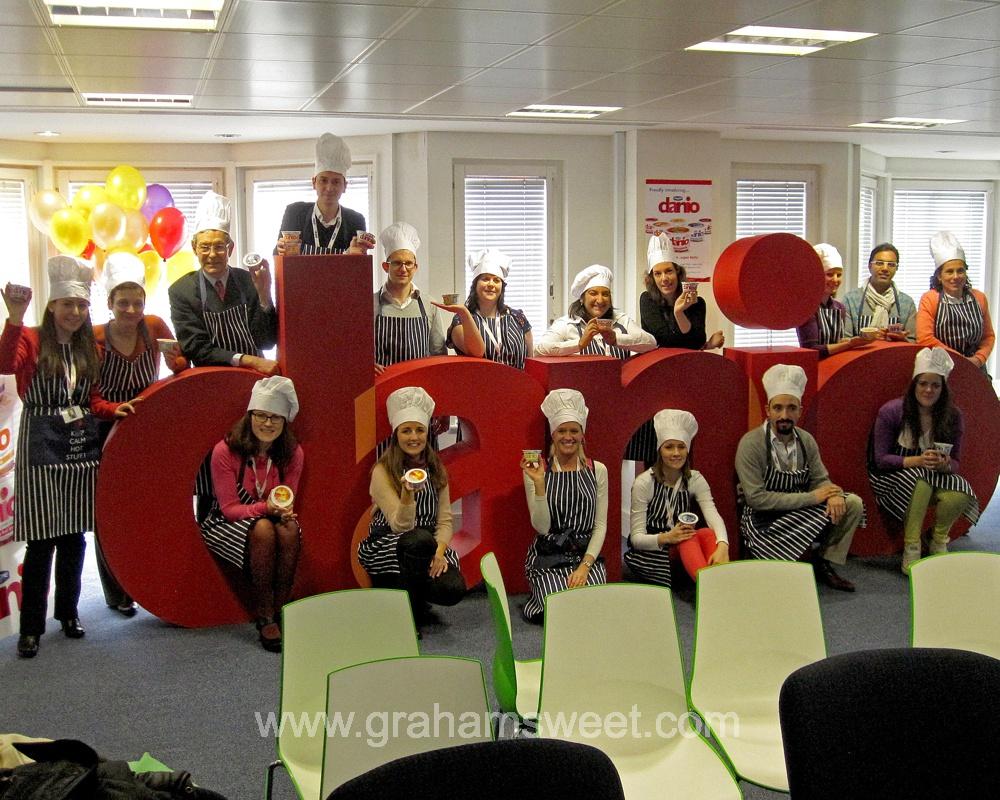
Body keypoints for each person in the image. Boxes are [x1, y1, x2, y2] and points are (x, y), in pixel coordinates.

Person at [1, 257, 137, 659]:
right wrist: (13, 317)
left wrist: (115, 410)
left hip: (79, 448)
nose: (75, 314)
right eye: (67, 306)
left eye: (80, 307)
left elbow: (91, 399)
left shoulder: (89, 349)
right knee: (42, 542)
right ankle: (31, 629)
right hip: (41, 445)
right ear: (52, 308)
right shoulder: (28, 337)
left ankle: (69, 614)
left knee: (74, 538)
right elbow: (5, 363)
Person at [93, 251, 187, 617]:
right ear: (110, 303)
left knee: (146, 506)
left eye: (137, 302)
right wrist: (112, 411)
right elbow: (89, 395)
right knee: (109, 511)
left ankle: (146, 579)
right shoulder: (96, 335)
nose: (131, 310)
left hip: (143, 427)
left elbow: (178, 366)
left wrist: (177, 360)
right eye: (123, 302)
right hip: (104, 428)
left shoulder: (155, 325)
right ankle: (116, 591)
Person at [735, 364, 864, 592]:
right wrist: (813, 497)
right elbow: (756, 499)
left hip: (799, 511)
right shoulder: (751, 443)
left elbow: (820, 479)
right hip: (763, 520)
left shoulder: (806, 440)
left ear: (800, 411)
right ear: (768, 410)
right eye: (778, 408)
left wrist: (832, 493)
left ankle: (824, 561)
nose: (784, 415)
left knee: (852, 503)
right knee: (782, 586)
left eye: (791, 408)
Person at [199, 376, 303, 652]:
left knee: (289, 529)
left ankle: (283, 610)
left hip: (270, 516)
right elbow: (229, 508)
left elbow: (288, 497)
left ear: (284, 423)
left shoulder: (293, 453)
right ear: (250, 416)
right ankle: (265, 615)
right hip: (224, 521)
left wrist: (283, 512)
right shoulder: (225, 451)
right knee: (263, 530)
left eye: (276, 418)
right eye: (262, 416)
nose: (268, 424)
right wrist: (265, 509)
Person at [360, 387, 466, 630]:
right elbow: (401, 525)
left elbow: (445, 522)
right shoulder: (382, 471)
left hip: (429, 546)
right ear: (396, 434)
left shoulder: (436, 469)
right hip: (389, 544)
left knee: (452, 589)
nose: (413, 437)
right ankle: (411, 615)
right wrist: (408, 495)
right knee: (416, 539)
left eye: (419, 430)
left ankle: (409, 598)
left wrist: (439, 553)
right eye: (406, 431)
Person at [869, 347, 979, 574]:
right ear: (914, 385)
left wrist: (944, 465)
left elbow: (956, 462)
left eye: (935, 385)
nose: (928, 390)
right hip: (892, 477)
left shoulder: (953, 416)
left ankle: (938, 539)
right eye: (923, 384)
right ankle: (912, 546)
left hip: (934, 475)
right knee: (921, 482)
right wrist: (917, 460)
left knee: (961, 490)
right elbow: (880, 460)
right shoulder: (891, 411)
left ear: (943, 389)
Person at [520, 389, 607, 624]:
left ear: (582, 435)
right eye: (562, 431)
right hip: (550, 556)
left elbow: (600, 526)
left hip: (585, 555)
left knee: (593, 607)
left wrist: (585, 567)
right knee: (560, 606)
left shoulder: (598, 470)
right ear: (553, 434)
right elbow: (541, 527)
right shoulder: (537, 471)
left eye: (573, 431)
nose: (568, 437)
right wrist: (539, 484)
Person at [169, 190, 278, 374]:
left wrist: (264, 295)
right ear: (194, 248)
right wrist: (249, 360)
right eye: (205, 247)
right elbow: (197, 350)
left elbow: (266, 342)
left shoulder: (248, 280)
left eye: (219, 247)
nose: (212, 254)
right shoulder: (181, 291)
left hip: (253, 378)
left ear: (231, 249)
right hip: (212, 381)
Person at [626, 409, 728, 587]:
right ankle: (713, 588)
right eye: (669, 447)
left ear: (687, 450)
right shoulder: (644, 482)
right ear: (660, 450)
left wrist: (723, 545)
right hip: (652, 552)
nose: (676, 453)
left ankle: (713, 584)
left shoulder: (695, 479)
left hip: (682, 546)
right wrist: (667, 537)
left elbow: (713, 517)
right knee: (688, 538)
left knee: (706, 533)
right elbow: (636, 539)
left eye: (681, 447)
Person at [274, 132, 370, 256]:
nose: (329, 188)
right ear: (314, 183)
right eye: (323, 180)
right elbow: (278, 257)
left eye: (336, 182)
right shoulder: (295, 213)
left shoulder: (355, 220)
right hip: (300, 276)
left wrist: (356, 256)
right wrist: (280, 249)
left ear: (345, 186)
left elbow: (359, 268)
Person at [373, 222, 449, 375]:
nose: (403, 269)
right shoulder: (369, 304)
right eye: (396, 263)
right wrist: (365, 365)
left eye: (408, 263)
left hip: (419, 389)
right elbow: (355, 351)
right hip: (380, 388)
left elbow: (438, 354)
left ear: (415, 267)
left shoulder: (429, 304)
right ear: (385, 266)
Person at [535, 264, 656, 358]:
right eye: (593, 293)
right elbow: (539, 350)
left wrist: (616, 339)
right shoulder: (566, 324)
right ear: (582, 298)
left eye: (605, 294)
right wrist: (579, 344)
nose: (600, 300)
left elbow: (651, 343)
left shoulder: (621, 320)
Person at [917, 231, 995, 374]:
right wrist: (958, 359)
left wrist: (978, 359)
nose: (956, 276)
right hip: (941, 369)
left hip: (975, 368)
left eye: (960, 271)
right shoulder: (930, 299)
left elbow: (988, 336)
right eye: (949, 271)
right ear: (939, 276)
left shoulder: (979, 298)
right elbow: (925, 338)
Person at [447, 248, 533, 369]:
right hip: (477, 386)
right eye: (485, 279)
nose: (491, 284)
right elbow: (475, 352)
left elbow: (531, 361)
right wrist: (464, 312)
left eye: (496, 280)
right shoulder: (462, 320)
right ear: (475, 285)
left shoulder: (518, 318)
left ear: (502, 287)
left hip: (519, 385)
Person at [640, 233, 724, 351]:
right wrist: (707, 345)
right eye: (657, 274)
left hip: (688, 365)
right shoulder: (647, 300)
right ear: (652, 278)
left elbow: (696, 342)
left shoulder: (697, 303)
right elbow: (665, 341)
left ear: (678, 273)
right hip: (657, 365)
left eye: (669, 271)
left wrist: (679, 312)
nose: (664, 279)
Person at [796, 243, 869, 357]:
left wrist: (851, 342)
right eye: (829, 274)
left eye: (839, 275)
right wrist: (849, 344)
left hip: (836, 366)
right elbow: (812, 350)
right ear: (816, 275)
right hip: (815, 368)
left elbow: (837, 343)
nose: (835, 280)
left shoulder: (839, 308)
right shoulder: (806, 309)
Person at [843, 242, 918, 341]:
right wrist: (867, 338)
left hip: (894, 354)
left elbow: (913, 341)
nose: (885, 268)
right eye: (879, 263)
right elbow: (844, 339)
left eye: (891, 264)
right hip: (861, 355)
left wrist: (901, 339)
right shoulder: (851, 300)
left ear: (897, 268)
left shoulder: (907, 303)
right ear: (869, 266)